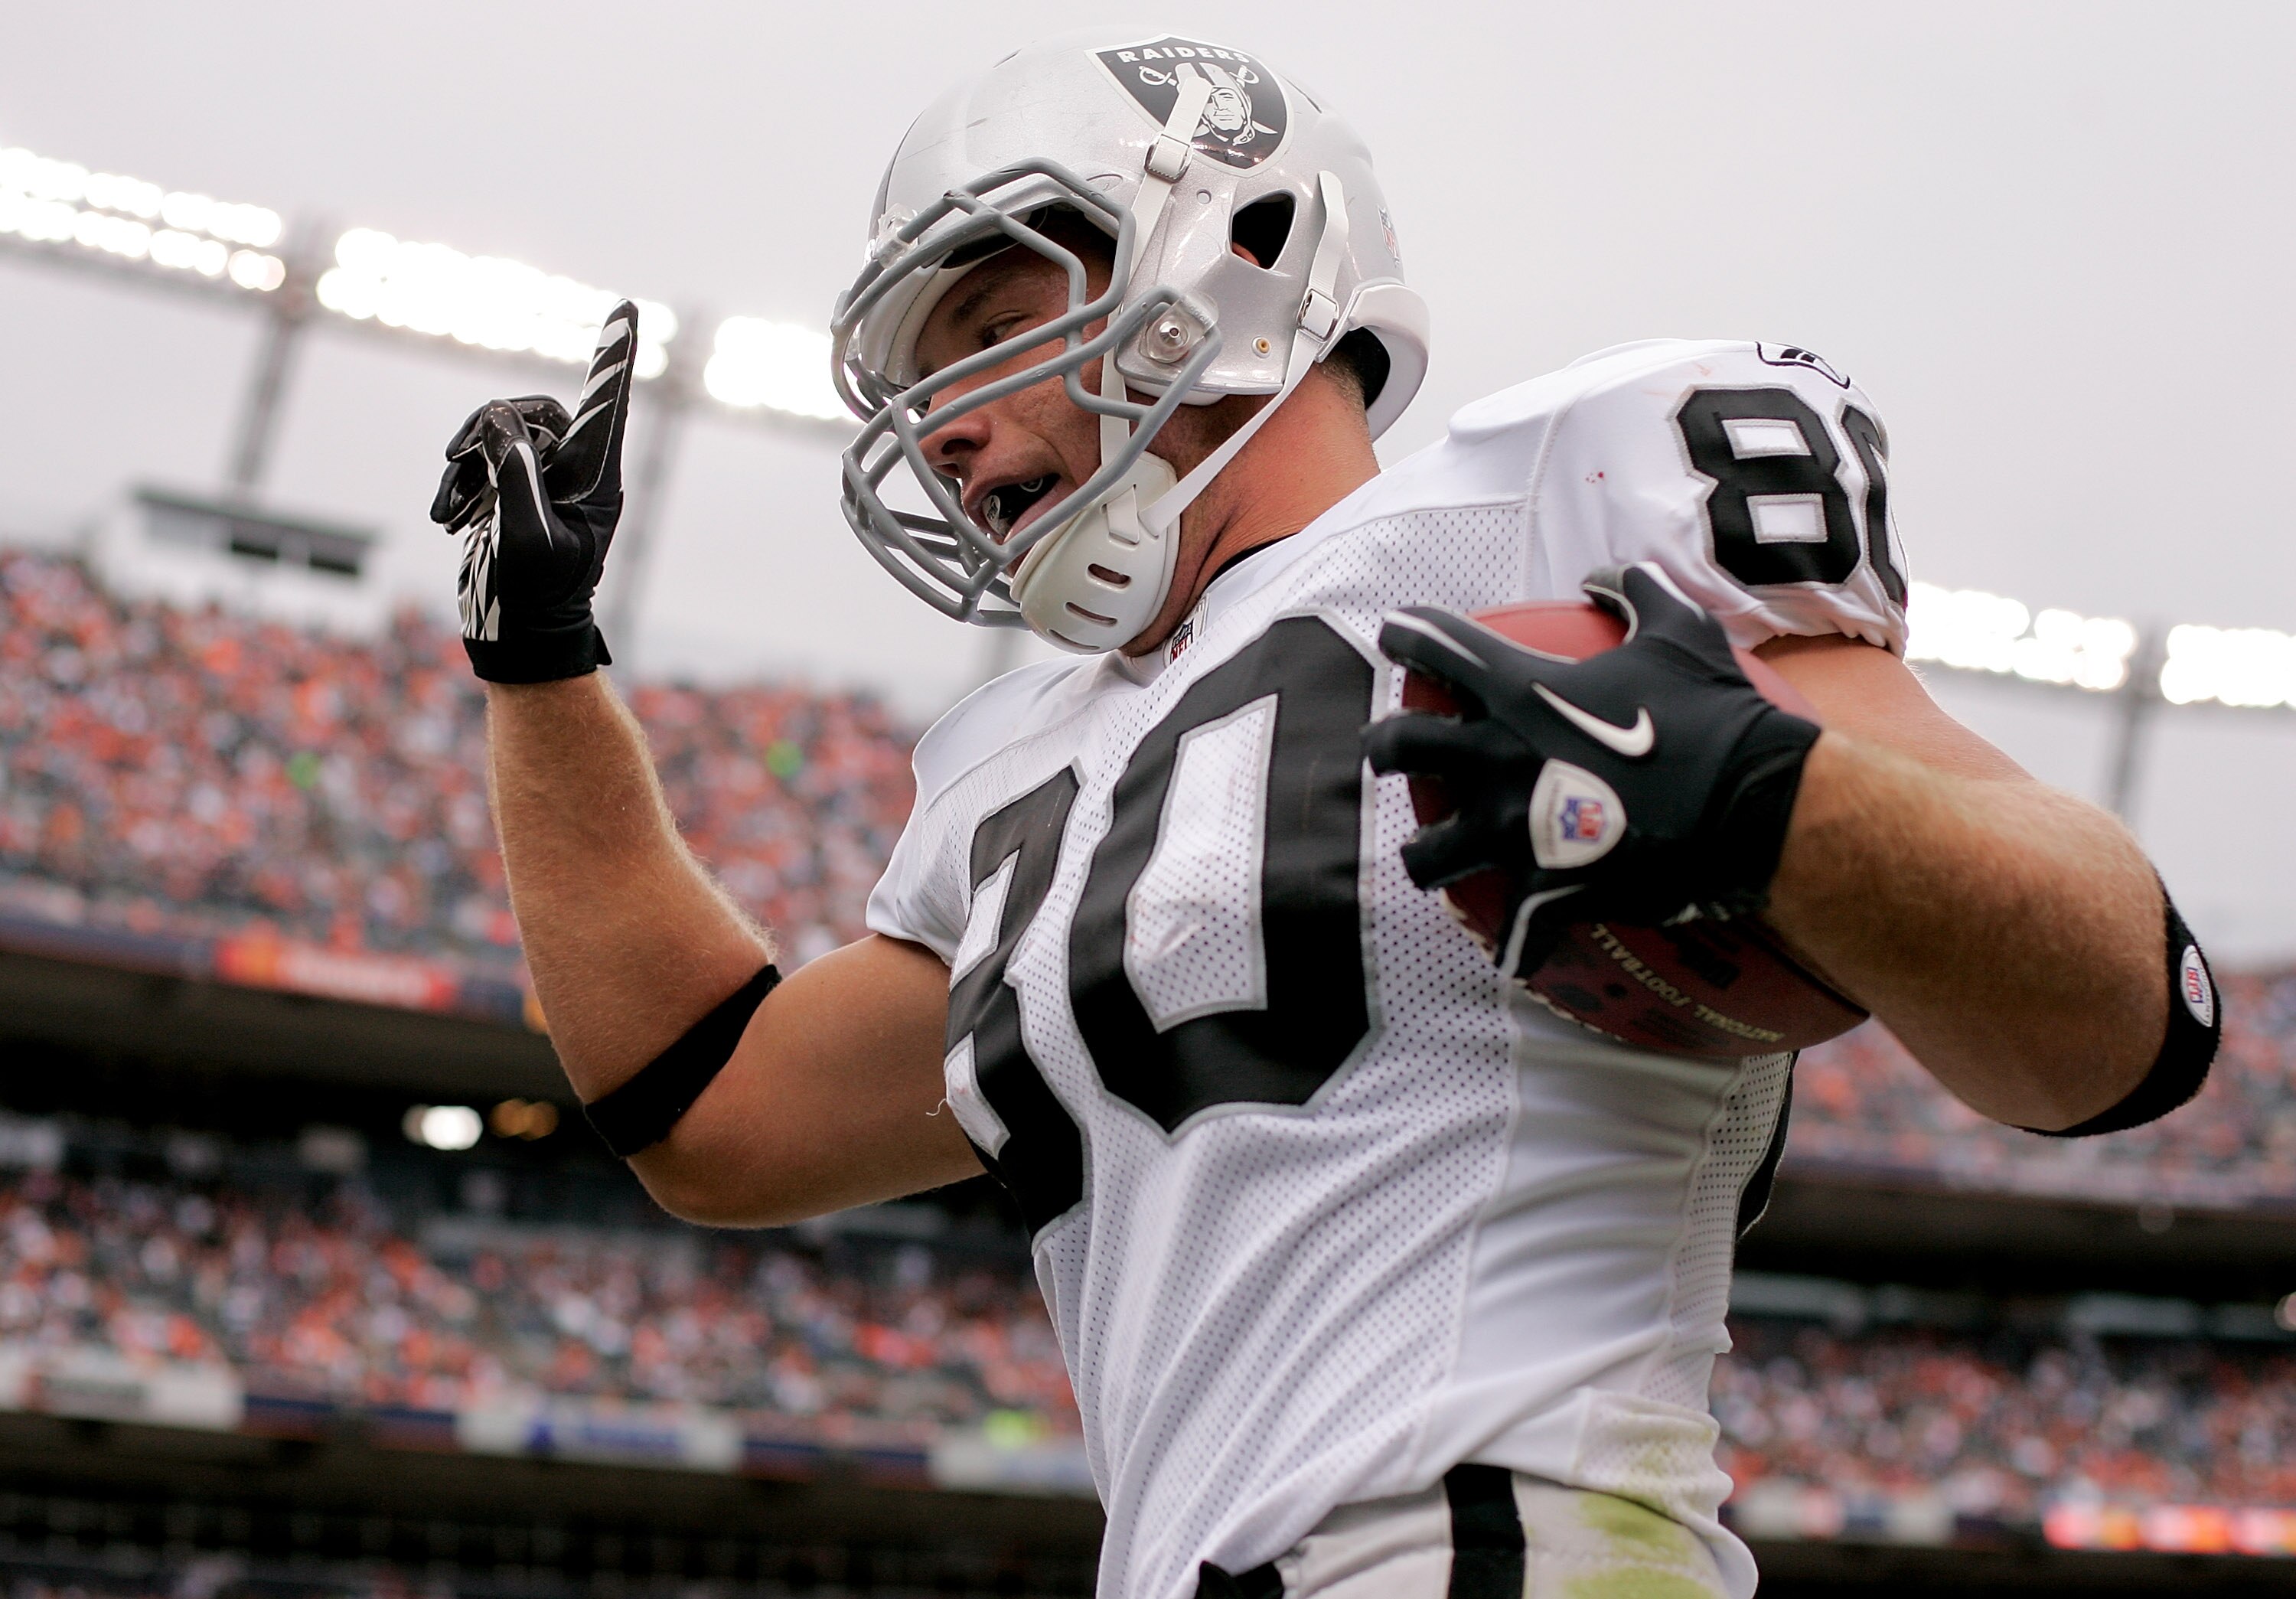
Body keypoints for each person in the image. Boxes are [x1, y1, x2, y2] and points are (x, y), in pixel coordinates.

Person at [428, 31, 2219, 1599]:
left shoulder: (1547, 512)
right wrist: (540, 663)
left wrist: (1761, 796)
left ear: (1237, 250)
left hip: (1504, 1536)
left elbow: (2128, 1014)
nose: (946, 436)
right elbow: (711, 1112)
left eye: (985, 327)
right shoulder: (1018, 764)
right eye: (918, 388)